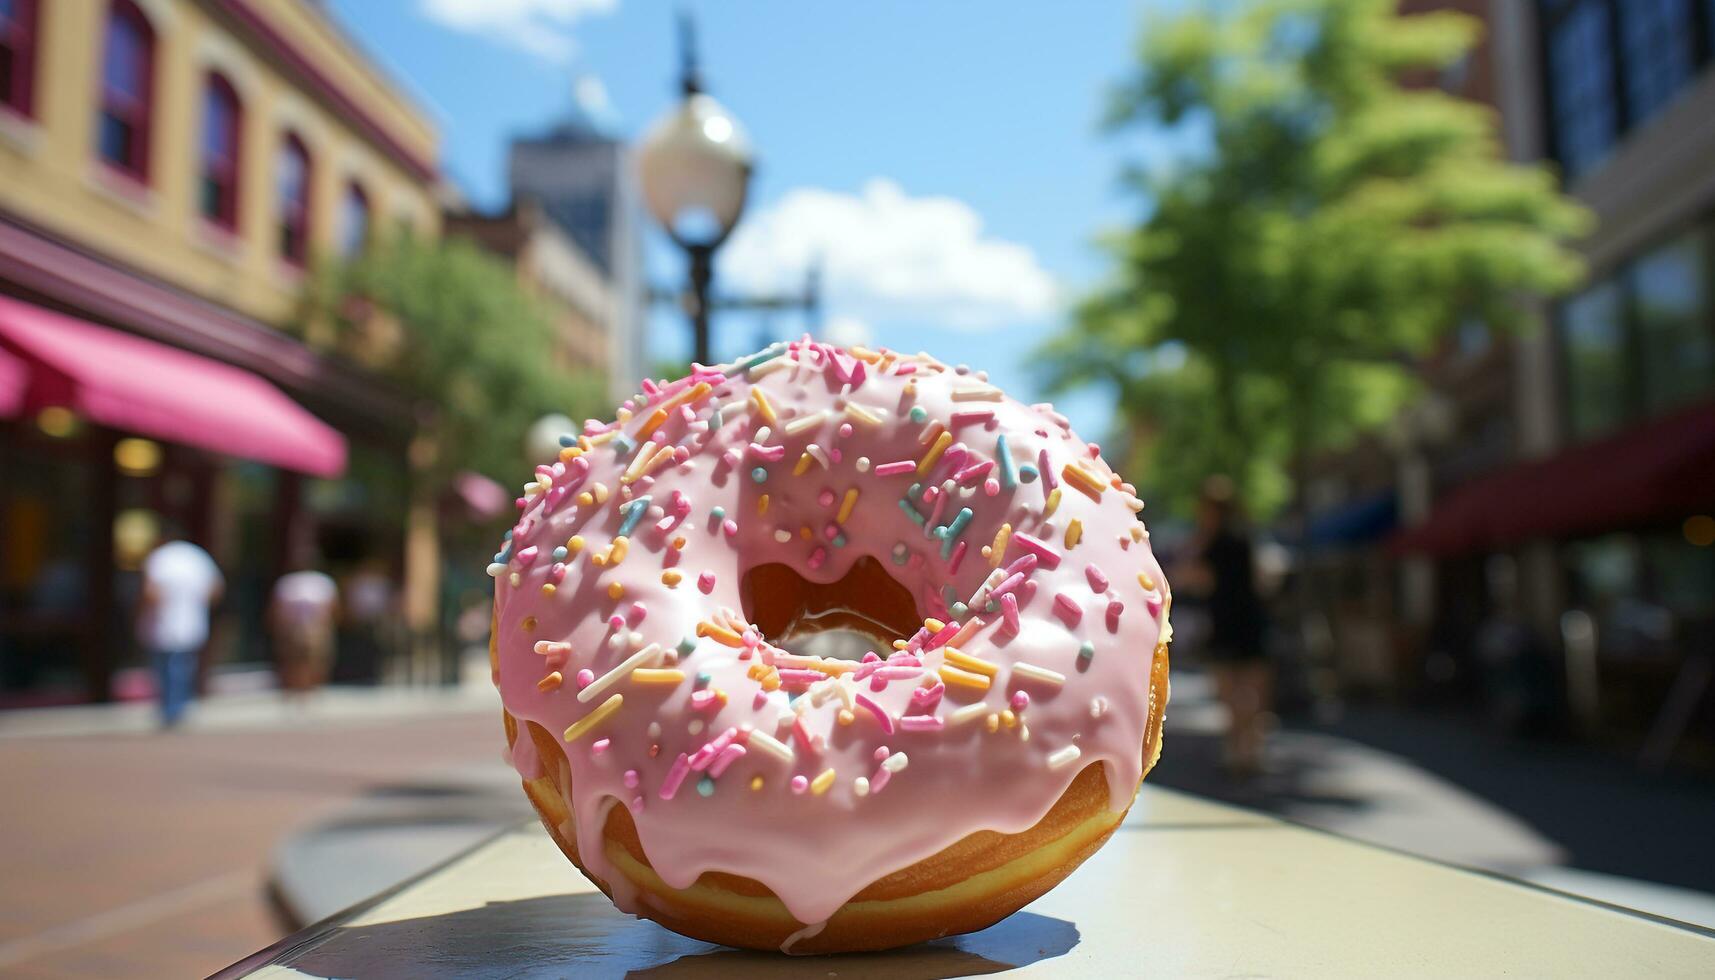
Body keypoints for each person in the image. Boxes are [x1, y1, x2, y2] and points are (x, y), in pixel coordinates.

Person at [1190, 476, 1272, 776]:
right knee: (1252, 692)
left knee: (1229, 693)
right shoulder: (1246, 538)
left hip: (1225, 624)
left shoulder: (1213, 543)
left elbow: (1196, 579)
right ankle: (1250, 750)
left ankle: (1237, 750)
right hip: (1252, 622)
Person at [136, 537, 224, 728]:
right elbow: (216, 588)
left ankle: (171, 709)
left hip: (163, 624)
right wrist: (198, 604)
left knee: (167, 669)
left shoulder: (160, 558)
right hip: (191, 624)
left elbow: (150, 592)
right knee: (182, 667)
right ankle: (177, 707)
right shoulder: (196, 556)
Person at [269, 568, 339, 696]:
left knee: (318, 661)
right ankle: (294, 690)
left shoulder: (323, 581)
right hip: (293, 630)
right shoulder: (286, 582)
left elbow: (333, 609)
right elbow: (277, 611)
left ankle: (313, 690)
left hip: (317, 629)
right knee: (293, 661)